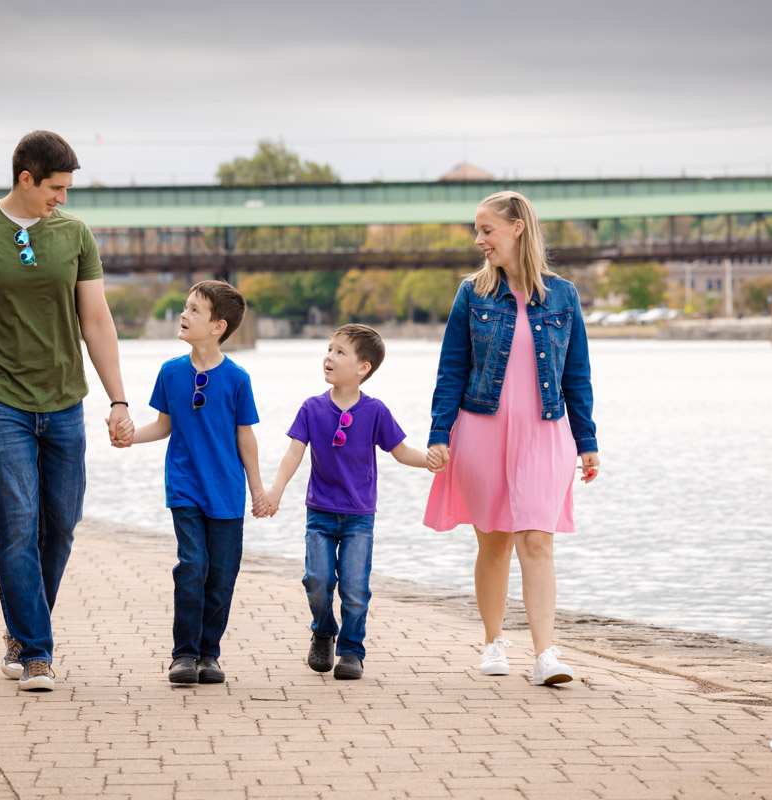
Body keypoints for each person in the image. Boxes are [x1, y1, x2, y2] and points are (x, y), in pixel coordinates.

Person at [0, 130, 132, 692]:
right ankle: (37, 653)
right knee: (17, 521)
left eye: (67, 189)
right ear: (26, 178)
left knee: (61, 525)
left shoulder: (74, 235)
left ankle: (22, 631)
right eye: (56, 188)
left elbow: (96, 321)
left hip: (65, 398)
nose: (62, 199)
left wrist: (118, 399)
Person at [423, 191, 600, 687]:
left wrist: (587, 441)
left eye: (487, 230)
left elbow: (577, 375)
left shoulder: (563, 296)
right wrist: (439, 434)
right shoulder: (471, 293)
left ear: (517, 228)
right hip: (481, 429)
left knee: (537, 539)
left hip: (545, 433)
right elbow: (451, 370)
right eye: (477, 231)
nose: (479, 240)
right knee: (495, 541)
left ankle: (546, 653)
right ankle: (494, 640)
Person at [112, 280, 266, 685]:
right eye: (186, 307)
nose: (184, 314)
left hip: (228, 492)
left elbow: (245, 438)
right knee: (193, 566)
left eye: (194, 310)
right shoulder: (170, 372)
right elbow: (163, 426)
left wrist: (258, 489)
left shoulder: (237, 378)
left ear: (218, 326)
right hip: (185, 487)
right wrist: (130, 436)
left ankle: (209, 654)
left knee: (222, 574)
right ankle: (184, 654)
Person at [263, 324, 431, 680]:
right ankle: (323, 630)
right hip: (320, 513)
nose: (329, 356)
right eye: (329, 349)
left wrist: (431, 462)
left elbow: (400, 452)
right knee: (317, 580)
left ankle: (352, 651)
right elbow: (294, 452)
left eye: (340, 352)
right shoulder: (311, 408)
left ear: (362, 368)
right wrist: (275, 490)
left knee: (355, 587)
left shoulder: (376, 411)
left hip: (359, 517)